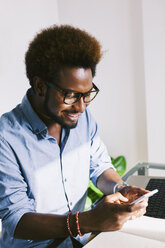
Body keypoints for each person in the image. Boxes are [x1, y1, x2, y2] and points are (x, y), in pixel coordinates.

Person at [0, 25, 148, 248]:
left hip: (80, 241)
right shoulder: (5, 138)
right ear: (40, 86)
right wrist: (88, 221)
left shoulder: (82, 118)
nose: (81, 107)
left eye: (87, 94)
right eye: (71, 95)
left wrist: (121, 189)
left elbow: (99, 166)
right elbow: (17, 220)